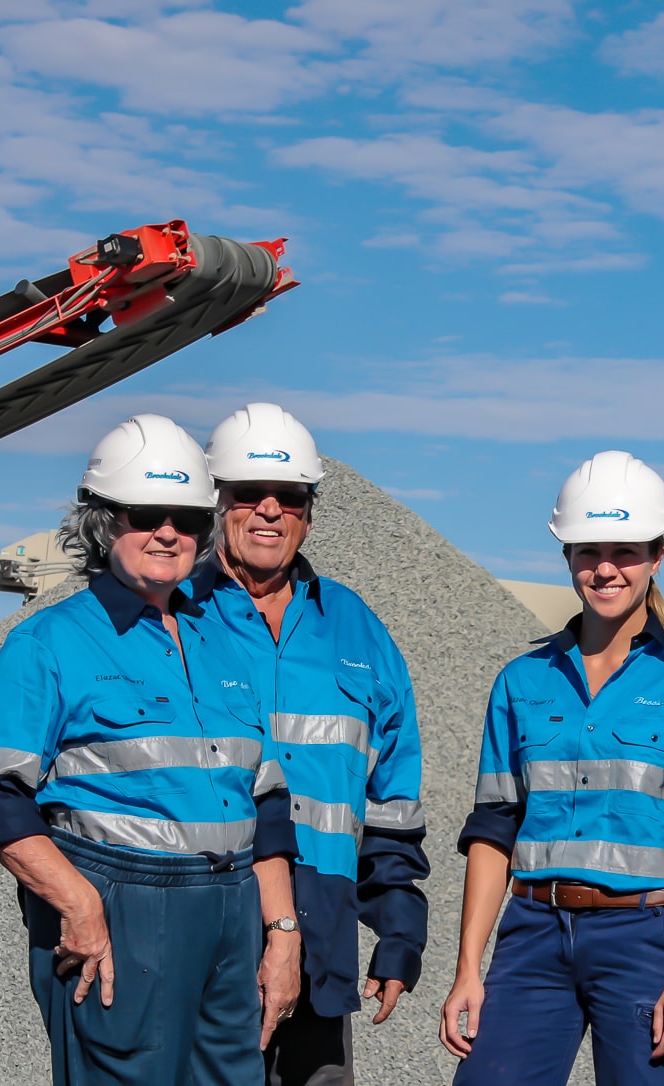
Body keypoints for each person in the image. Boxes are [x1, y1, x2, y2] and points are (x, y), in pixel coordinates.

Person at [0, 414, 300, 1086]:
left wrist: (282, 933)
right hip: (122, 902)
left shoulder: (223, 641)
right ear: (102, 523)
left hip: (231, 906)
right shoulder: (49, 642)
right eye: (144, 514)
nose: (168, 532)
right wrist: (80, 907)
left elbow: (266, 802)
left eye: (187, 517)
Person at [439, 450, 664, 1085]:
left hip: (645, 940)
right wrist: (469, 967)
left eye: (625, 551)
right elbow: (495, 828)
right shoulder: (522, 682)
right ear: (567, 557)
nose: (605, 569)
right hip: (530, 936)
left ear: (658, 557)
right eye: (587, 551)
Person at [188, 403, 429, 1086]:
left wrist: (399, 929)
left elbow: (390, 800)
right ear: (216, 503)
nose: (269, 511)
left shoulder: (356, 630)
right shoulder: (171, 613)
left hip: (322, 927)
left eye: (288, 497)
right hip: (202, 924)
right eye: (247, 495)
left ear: (309, 512)